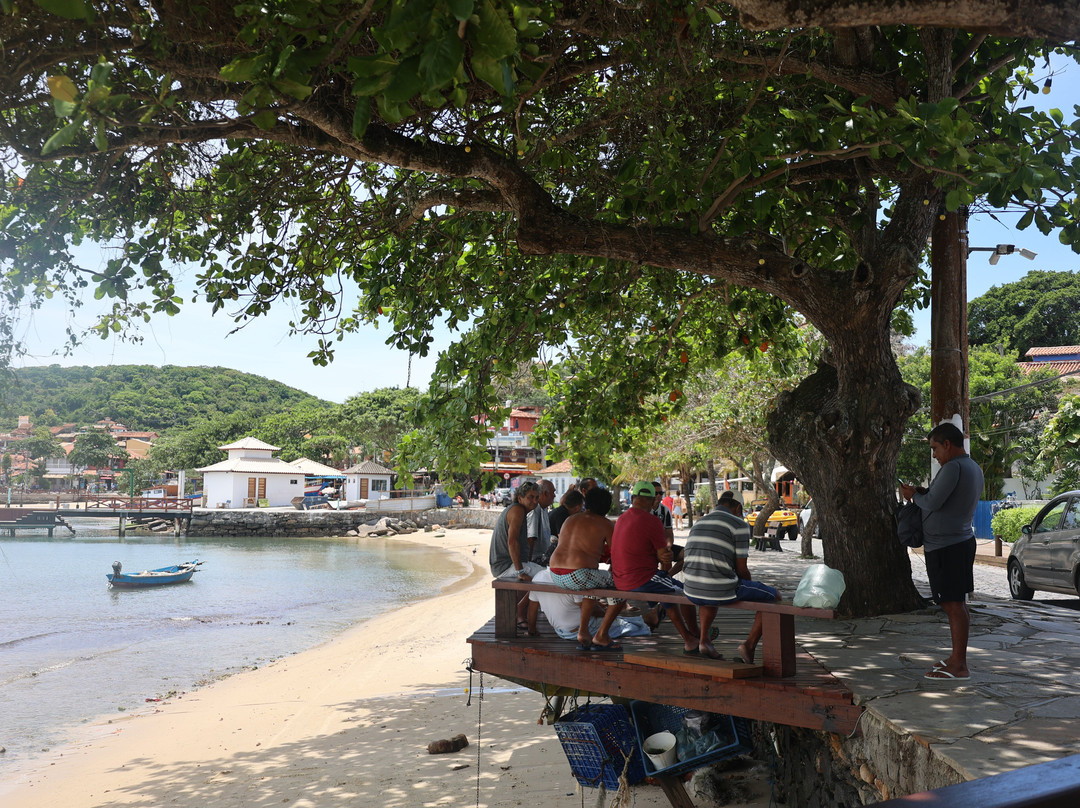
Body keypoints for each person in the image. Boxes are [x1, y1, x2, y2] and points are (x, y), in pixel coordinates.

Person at [901, 422, 983, 681]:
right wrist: (922, 493)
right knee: (955, 603)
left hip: (948, 547)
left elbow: (934, 502)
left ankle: (959, 665)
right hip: (957, 543)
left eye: (935, 448)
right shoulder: (972, 467)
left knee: (953, 604)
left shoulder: (953, 467)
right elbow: (943, 499)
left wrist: (913, 496)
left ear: (947, 444)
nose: (934, 455)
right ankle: (956, 659)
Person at [681, 496, 780, 661]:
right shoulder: (739, 524)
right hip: (717, 588)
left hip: (691, 587)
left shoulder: (699, 522)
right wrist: (749, 585)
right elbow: (742, 569)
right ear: (738, 508)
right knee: (775, 596)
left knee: (710, 585)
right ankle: (749, 646)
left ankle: (704, 641)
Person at [611, 481, 701, 654]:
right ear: (653, 500)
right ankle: (694, 635)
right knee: (686, 591)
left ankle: (686, 635)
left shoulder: (621, 518)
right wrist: (661, 557)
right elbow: (665, 562)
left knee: (666, 587)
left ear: (633, 498)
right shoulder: (652, 521)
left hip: (619, 578)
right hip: (640, 579)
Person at [546, 487, 628, 650]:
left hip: (555, 573)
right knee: (623, 586)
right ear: (607, 506)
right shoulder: (606, 524)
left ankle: (583, 632)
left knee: (592, 584)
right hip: (579, 575)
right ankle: (602, 635)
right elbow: (617, 555)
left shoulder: (570, 519)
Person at [525, 566, 654, 641]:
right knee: (631, 626)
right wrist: (607, 612)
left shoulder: (538, 576)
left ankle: (644, 619)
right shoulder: (571, 579)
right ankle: (647, 622)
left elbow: (532, 608)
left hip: (560, 632)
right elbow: (591, 610)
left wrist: (532, 631)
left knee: (615, 620)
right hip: (579, 630)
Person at [527, 479, 556, 564]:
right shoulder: (534, 510)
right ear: (545, 494)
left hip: (543, 557)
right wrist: (528, 564)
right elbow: (530, 539)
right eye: (553, 492)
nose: (554, 496)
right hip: (535, 560)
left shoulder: (544, 508)